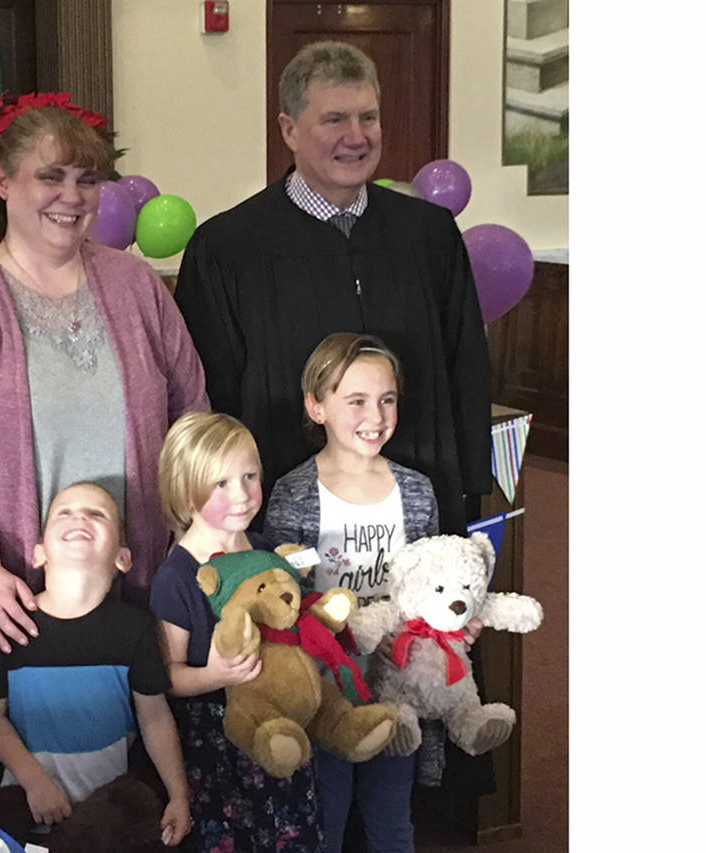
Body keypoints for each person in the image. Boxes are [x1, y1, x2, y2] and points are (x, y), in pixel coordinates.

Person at [0, 95, 208, 655]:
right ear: (3, 181)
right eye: (50, 177)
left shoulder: (136, 284)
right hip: (22, 600)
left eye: (87, 180)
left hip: (144, 583)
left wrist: (191, 535)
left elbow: (193, 414)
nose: (71, 197)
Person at [173, 40, 491, 539]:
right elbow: (214, 394)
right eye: (335, 119)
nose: (357, 136)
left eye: (369, 117)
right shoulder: (229, 248)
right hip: (288, 513)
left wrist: (470, 483)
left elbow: (465, 364)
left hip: (417, 504)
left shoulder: (428, 236)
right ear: (289, 130)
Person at [262, 333, 442, 852]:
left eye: (387, 399)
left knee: (391, 816)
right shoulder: (294, 493)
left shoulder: (415, 490)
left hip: (396, 686)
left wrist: (445, 626)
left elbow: (433, 583)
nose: (376, 415)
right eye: (356, 401)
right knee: (326, 814)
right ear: (316, 406)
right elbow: (282, 597)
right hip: (328, 690)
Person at [0, 482, 192, 851]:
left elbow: (154, 715)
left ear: (123, 557)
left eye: (97, 514)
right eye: (65, 512)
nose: (79, 518)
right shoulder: (10, 623)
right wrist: (34, 782)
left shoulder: (134, 629)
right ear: (39, 552)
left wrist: (178, 794)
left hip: (106, 818)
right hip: (27, 809)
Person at [148, 411, 324, 851]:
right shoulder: (177, 577)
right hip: (219, 750)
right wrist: (214, 675)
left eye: (249, 476)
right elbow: (163, 679)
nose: (242, 494)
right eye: (220, 484)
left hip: (282, 730)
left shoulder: (267, 550)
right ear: (186, 497)